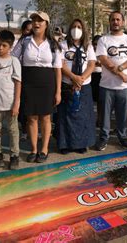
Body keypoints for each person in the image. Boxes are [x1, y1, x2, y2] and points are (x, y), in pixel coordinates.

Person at [12, 11, 62, 163]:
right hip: (28, 82)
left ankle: (44, 148)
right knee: (31, 118)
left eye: (40, 20)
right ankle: (34, 149)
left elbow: (57, 69)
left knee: (46, 117)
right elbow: (13, 58)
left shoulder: (53, 44)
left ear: (47, 24)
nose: (36, 23)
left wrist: (58, 91)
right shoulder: (25, 42)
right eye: (34, 20)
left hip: (47, 83)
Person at [95, 11, 127, 151]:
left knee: (123, 114)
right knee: (105, 115)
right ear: (110, 22)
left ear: (123, 22)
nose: (115, 22)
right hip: (107, 85)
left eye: (118, 19)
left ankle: (122, 137)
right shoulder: (104, 40)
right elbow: (104, 60)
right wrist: (122, 74)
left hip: (125, 86)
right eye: (113, 19)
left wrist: (121, 68)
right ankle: (103, 138)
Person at [57, 19, 96, 154]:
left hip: (84, 86)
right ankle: (65, 144)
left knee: (82, 116)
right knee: (66, 116)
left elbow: (91, 64)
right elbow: (60, 64)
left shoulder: (88, 46)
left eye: (79, 27)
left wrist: (81, 79)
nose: (76, 29)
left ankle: (81, 144)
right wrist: (73, 77)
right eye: (74, 26)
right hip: (67, 84)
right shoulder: (62, 45)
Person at [0, 30, 21, 170]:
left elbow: (18, 83)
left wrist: (16, 103)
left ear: (10, 47)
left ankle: (14, 155)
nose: (0, 48)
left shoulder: (14, 61)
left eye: (4, 45)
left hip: (10, 103)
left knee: (13, 130)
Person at [91, 35, 103, 126]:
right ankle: (90, 118)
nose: (96, 46)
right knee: (90, 99)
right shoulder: (90, 52)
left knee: (100, 100)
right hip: (91, 77)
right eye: (94, 44)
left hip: (101, 76)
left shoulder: (104, 53)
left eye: (98, 44)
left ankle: (99, 119)